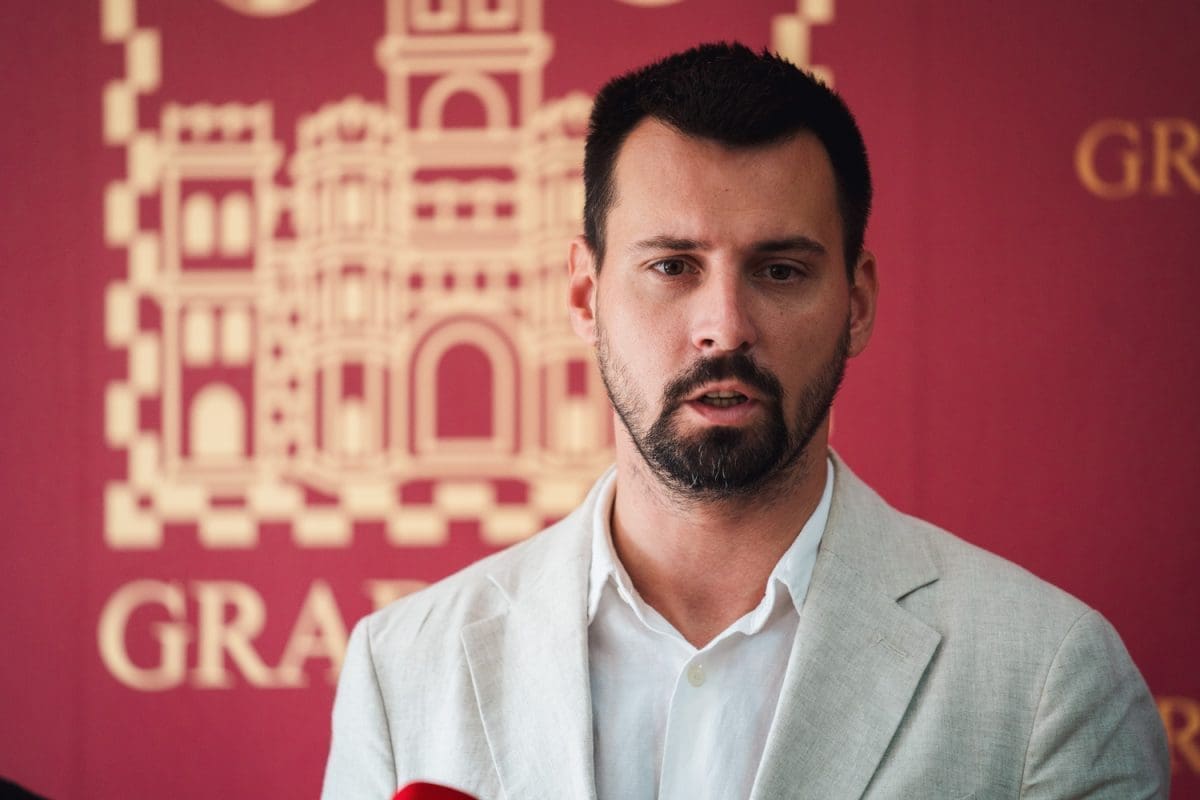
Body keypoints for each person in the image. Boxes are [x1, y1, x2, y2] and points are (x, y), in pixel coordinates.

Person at [322, 43, 1168, 799]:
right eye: (672, 266)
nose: (724, 327)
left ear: (856, 304)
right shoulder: (404, 671)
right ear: (586, 296)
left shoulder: (1047, 678)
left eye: (780, 270)